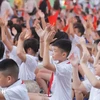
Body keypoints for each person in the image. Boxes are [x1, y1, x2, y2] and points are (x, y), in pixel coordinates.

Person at [29, 28, 72, 100]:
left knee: (26, 96)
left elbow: (46, 64)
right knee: (25, 93)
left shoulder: (66, 67)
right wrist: (42, 39)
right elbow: (43, 55)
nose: (52, 53)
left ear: (64, 54)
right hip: (54, 96)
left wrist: (46, 43)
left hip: (60, 98)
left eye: (55, 51)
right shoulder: (60, 60)